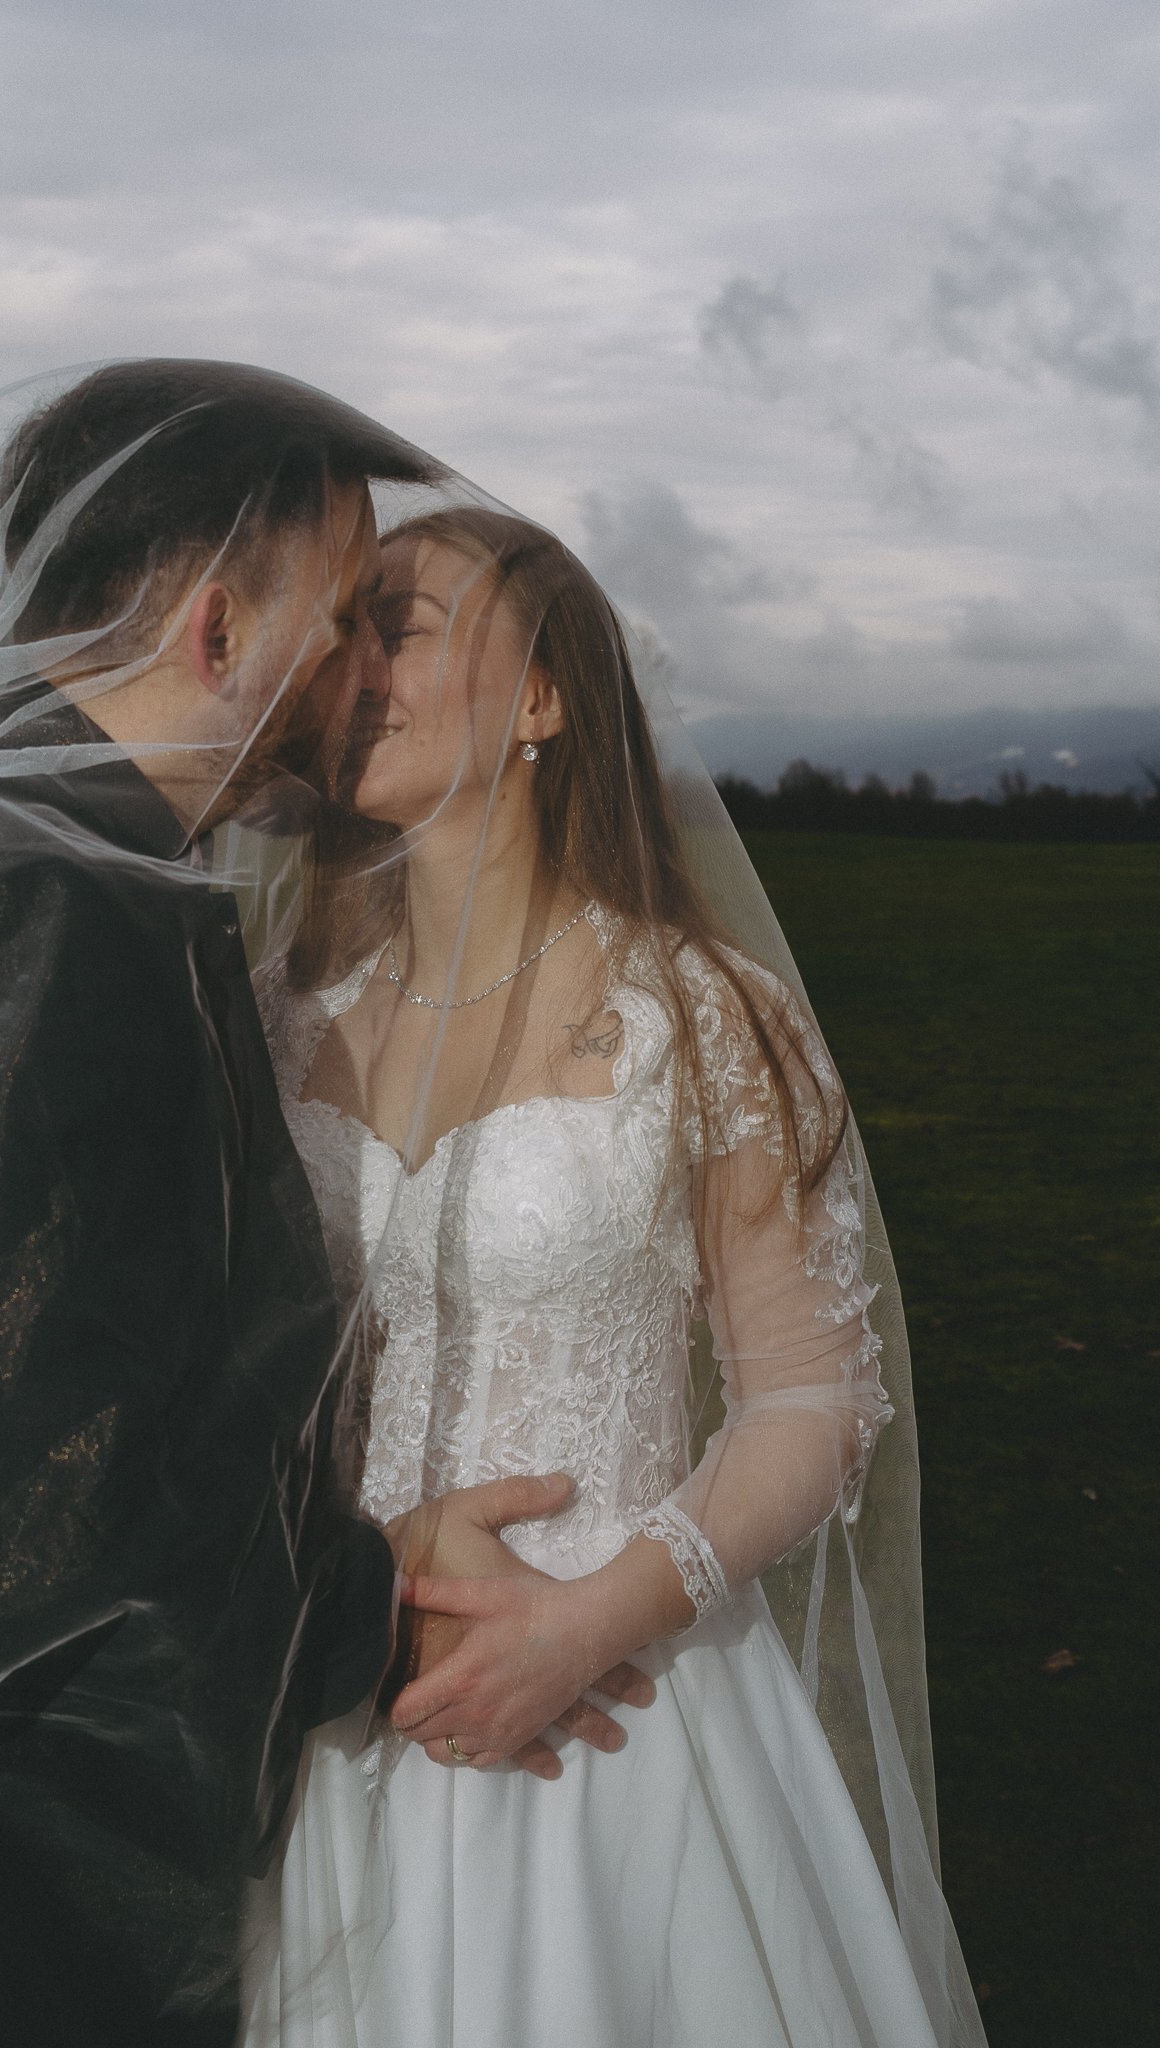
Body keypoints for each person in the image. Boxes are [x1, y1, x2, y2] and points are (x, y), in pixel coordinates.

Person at [0, 367, 646, 2047]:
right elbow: (35, 1465)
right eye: (337, 621)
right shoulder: (54, 920)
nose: (353, 678)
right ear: (220, 630)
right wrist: (376, 1609)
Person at [242, 504, 988, 2045]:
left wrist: (602, 1619)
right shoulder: (271, 1019)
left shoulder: (700, 1015)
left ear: (544, 700)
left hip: (618, 1728)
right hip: (336, 1714)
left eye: (410, 622)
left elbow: (812, 1392)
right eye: (348, 625)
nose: (357, 660)